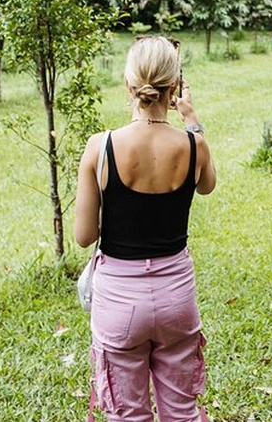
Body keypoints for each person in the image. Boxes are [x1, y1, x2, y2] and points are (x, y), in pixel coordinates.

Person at [74, 35, 217, 422]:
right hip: (176, 299)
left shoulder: (99, 148)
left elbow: (85, 235)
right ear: (174, 90)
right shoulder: (194, 146)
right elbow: (207, 185)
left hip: (119, 302)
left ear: (128, 85)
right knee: (182, 412)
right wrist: (191, 118)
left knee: (126, 414)